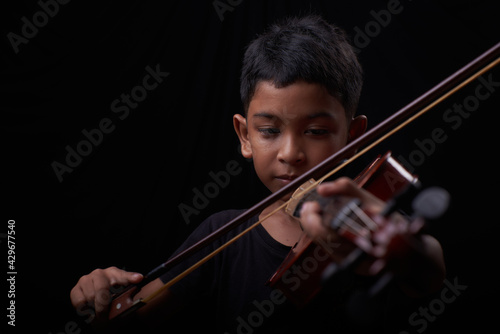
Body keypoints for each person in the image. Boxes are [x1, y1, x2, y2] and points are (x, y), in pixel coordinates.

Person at [70, 15, 445, 333]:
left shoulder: (382, 224)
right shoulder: (223, 235)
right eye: (269, 130)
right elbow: (127, 318)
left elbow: (427, 269)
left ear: (354, 136)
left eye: (316, 131)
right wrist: (98, 296)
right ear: (244, 136)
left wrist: (406, 252)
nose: (290, 154)